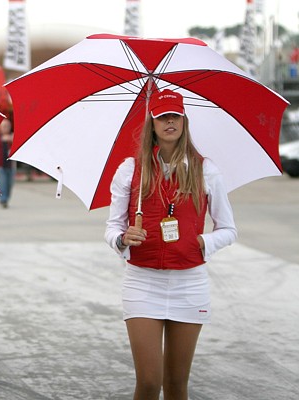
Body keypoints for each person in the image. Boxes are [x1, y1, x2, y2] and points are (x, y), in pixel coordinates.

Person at [104, 89, 237, 400]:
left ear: (184, 121)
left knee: (176, 385)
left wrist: (202, 242)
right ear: (152, 123)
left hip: (190, 284)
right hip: (142, 282)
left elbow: (229, 229)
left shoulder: (205, 169)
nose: (170, 122)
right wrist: (122, 239)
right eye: (162, 117)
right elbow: (112, 227)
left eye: (175, 116)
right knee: (149, 382)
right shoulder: (130, 169)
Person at [0, 116, 16, 208]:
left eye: (7, 126)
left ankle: (6, 198)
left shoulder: (12, 137)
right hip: (0, 164)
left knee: (9, 184)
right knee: (2, 183)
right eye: (4, 126)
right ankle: (2, 200)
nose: (6, 128)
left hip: (11, 165)